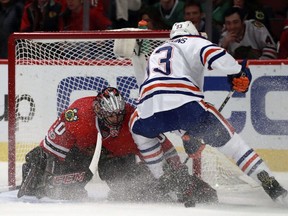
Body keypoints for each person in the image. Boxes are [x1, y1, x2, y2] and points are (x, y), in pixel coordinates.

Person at [129, 20, 288, 206]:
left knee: (139, 130)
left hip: (149, 109)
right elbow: (218, 56)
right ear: (194, 33)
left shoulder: (158, 50)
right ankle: (271, 185)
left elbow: (161, 97)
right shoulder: (196, 41)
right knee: (234, 146)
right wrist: (239, 72)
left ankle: (163, 178)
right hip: (186, 106)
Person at [17, 87, 217, 203]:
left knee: (135, 192)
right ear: (98, 109)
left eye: (118, 114)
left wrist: (177, 172)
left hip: (117, 158)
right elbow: (53, 146)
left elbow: (163, 146)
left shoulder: (134, 119)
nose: (115, 118)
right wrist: (42, 160)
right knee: (68, 192)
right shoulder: (79, 114)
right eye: (110, 114)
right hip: (81, 153)